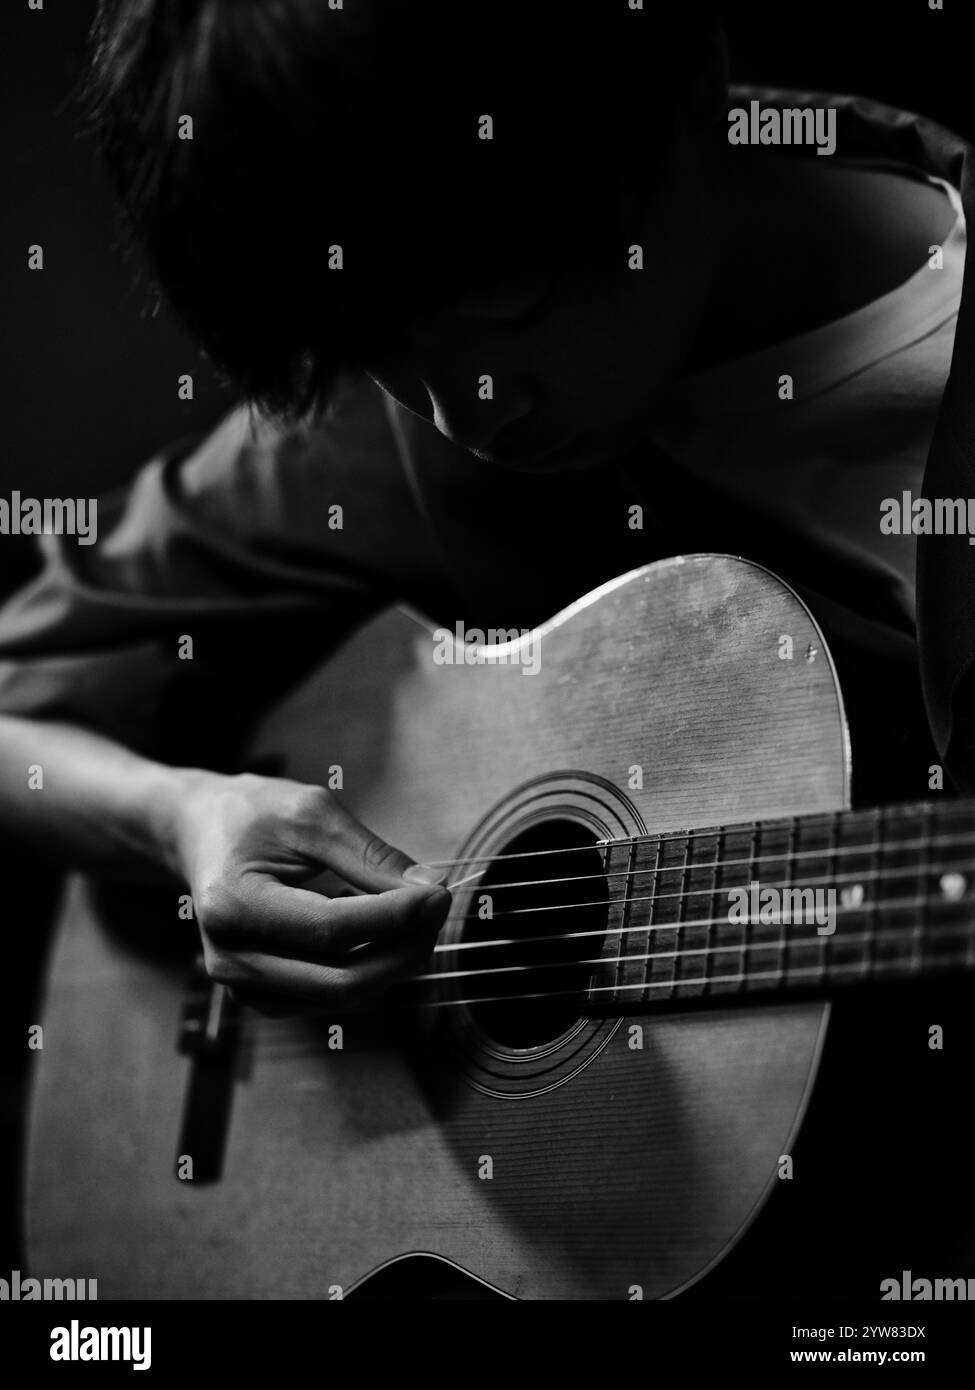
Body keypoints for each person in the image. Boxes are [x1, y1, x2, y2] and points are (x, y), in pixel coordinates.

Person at [1, 0, 973, 1295]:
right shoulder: (374, 437)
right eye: (390, 355)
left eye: (511, 309)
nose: (463, 413)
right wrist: (179, 817)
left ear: (684, 94)